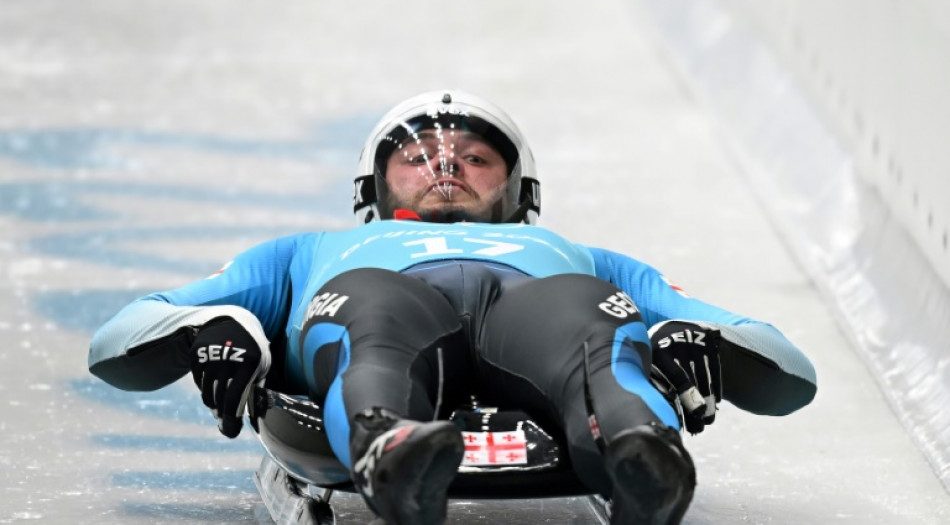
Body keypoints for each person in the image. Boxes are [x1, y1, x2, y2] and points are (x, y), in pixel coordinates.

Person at [88, 90, 817, 525]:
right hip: (379, 311)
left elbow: (787, 366)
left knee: (588, 313)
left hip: (538, 319)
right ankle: (390, 444)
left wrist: (693, 335)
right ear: (373, 189)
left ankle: (640, 452)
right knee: (374, 306)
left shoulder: (584, 258)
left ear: (517, 188)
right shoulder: (305, 250)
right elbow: (120, 337)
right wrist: (224, 325)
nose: (444, 165)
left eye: (474, 157)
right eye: (418, 156)